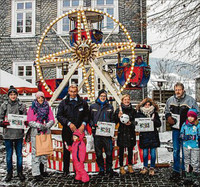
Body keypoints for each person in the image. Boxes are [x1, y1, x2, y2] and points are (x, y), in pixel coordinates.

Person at [165, 82, 199, 180]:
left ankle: (185, 170)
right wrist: (168, 117)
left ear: (183, 90)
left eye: (179, 89)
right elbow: (167, 111)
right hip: (175, 129)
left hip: (187, 130)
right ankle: (176, 170)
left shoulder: (190, 100)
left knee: (186, 151)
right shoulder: (170, 100)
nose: (177, 91)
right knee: (175, 150)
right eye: (176, 90)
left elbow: (197, 112)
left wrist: (193, 122)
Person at [57, 84, 89, 176]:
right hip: (67, 130)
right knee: (66, 149)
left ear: (77, 91)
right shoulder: (63, 103)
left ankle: (78, 170)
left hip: (79, 131)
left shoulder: (83, 102)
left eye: (74, 91)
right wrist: (68, 123)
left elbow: (87, 115)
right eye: (71, 91)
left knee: (79, 151)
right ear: (68, 92)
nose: (73, 93)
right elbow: (59, 116)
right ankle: (65, 170)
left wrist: (83, 124)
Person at [0, 85, 26, 182]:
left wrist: (25, 121)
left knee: (19, 154)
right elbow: (0, 117)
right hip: (8, 134)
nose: (13, 96)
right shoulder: (4, 105)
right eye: (11, 94)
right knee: (9, 155)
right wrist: (2, 123)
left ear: (17, 95)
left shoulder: (21, 105)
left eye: (14, 94)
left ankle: (20, 172)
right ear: (8, 95)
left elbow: (25, 116)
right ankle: (9, 172)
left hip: (18, 133)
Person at [27, 91, 55, 181]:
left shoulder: (48, 107)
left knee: (44, 152)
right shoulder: (32, 108)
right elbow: (30, 121)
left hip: (45, 132)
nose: (40, 99)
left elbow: (52, 119)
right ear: (36, 98)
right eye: (39, 98)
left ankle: (43, 170)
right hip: (36, 133)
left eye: (42, 97)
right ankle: (36, 172)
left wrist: (47, 125)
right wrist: (39, 125)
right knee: (36, 153)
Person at [89, 89, 116, 177]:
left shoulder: (110, 107)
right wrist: (93, 124)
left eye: (104, 96)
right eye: (101, 96)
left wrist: (112, 131)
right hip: (97, 133)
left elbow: (112, 120)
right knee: (99, 153)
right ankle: (101, 169)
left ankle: (109, 169)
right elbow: (89, 118)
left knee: (109, 152)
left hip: (107, 134)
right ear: (99, 96)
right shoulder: (93, 106)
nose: (103, 97)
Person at [136, 98, 161, 176]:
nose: (147, 106)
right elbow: (136, 123)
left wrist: (154, 120)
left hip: (153, 135)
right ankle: (145, 167)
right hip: (144, 136)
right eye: (146, 104)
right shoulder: (139, 113)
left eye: (149, 104)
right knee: (145, 153)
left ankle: (152, 167)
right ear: (143, 105)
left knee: (153, 154)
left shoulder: (154, 113)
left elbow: (159, 124)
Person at [114, 94, 136, 175]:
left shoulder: (133, 110)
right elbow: (114, 121)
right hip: (122, 132)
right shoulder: (118, 110)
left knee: (130, 150)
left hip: (130, 132)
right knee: (121, 150)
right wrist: (117, 116)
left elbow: (136, 121)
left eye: (128, 99)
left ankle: (130, 165)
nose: (127, 101)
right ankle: (121, 166)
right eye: (125, 100)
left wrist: (131, 123)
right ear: (122, 101)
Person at [180, 109, 200, 186]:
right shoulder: (184, 124)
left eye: (192, 116)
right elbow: (181, 133)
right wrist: (183, 136)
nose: (190, 118)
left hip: (195, 146)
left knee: (195, 161)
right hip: (186, 145)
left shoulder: (198, 125)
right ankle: (188, 176)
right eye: (189, 116)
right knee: (187, 161)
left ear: (195, 117)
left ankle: (195, 177)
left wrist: (194, 137)